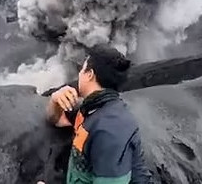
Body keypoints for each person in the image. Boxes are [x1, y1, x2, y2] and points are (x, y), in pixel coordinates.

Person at [42, 45, 151, 184]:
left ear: (90, 74)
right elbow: (56, 119)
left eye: (82, 69)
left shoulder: (111, 128)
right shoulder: (91, 108)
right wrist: (55, 100)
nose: (79, 74)